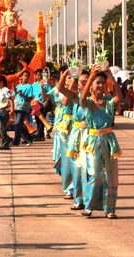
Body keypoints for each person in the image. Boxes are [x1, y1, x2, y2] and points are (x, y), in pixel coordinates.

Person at [79, 66, 123, 218]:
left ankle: (109, 209)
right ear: (91, 85)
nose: (100, 86)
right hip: (93, 141)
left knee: (110, 175)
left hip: (109, 140)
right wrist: (90, 78)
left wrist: (111, 79)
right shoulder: (89, 103)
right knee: (95, 173)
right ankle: (89, 205)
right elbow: (82, 99)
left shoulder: (109, 101)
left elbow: (120, 97)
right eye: (97, 83)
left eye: (102, 83)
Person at [54, 69, 79, 201]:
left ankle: (80, 188)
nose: (72, 79)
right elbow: (64, 102)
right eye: (68, 77)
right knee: (67, 158)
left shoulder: (81, 91)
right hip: (65, 127)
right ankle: (69, 188)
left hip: (78, 126)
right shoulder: (61, 91)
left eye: (73, 77)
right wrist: (69, 85)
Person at [12, 71, 33, 146]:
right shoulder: (18, 86)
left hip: (23, 107)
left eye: (27, 76)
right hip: (17, 107)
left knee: (18, 123)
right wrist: (14, 89)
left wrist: (23, 95)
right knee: (18, 124)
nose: (26, 77)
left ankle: (16, 141)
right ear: (21, 77)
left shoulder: (29, 86)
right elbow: (14, 95)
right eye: (25, 76)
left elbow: (30, 98)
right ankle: (29, 138)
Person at [0, 75, 13, 150]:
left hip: (4, 110)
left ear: (1, 82)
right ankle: (7, 139)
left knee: (1, 127)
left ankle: (5, 144)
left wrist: (12, 109)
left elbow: (11, 99)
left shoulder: (5, 90)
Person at [32, 69, 52, 141]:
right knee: (37, 119)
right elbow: (33, 94)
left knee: (42, 118)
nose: (40, 76)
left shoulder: (46, 83)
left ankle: (39, 134)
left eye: (41, 75)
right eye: (39, 75)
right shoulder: (34, 85)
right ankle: (41, 135)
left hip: (44, 103)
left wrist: (47, 101)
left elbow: (50, 93)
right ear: (36, 76)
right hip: (36, 103)